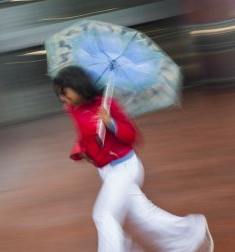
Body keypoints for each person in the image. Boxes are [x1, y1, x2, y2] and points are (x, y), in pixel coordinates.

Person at [52, 65, 214, 252]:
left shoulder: (106, 104)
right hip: (106, 170)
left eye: (65, 93)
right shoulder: (73, 109)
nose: (63, 99)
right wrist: (84, 152)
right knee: (144, 216)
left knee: (103, 215)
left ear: (77, 86)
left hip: (124, 168)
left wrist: (110, 123)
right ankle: (192, 231)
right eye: (60, 95)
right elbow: (85, 137)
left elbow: (132, 136)